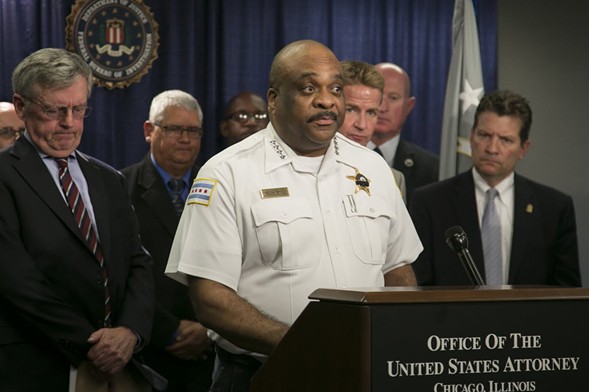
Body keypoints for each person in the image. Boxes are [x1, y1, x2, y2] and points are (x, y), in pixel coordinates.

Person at [165, 39, 423, 392]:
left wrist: (397, 339)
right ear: (273, 100)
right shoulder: (226, 173)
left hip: (364, 373)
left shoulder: (372, 168)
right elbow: (211, 298)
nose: (326, 100)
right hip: (262, 375)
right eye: (308, 88)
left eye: (335, 88)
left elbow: (398, 269)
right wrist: (301, 343)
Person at [0, 48, 155, 390]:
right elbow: (17, 283)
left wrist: (130, 332)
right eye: (54, 110)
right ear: (22, 106)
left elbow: (138, 263)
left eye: (79, 109)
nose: (69, 122)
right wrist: (94, 346)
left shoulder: (108, 178)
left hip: (120, 364)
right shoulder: (3, 177)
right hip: (36, 367)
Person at [410, 90, 581, 287]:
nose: (492, 148)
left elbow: (567, 295)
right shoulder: (430, 202)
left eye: (505, 140)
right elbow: (419, 287)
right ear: (472, 136)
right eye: (484, 135)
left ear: (523, 148)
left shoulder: (554, 208)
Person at [122, 89, 214, 391]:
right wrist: (168, 331)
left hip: (211, 350)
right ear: (150, 131)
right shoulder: (119, 188)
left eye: (193, 131)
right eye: (175, 129)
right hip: (148, 352)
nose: (185, 139)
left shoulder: (220, 188)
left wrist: (210, 331)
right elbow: (117, 273)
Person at [368, 62, 439, 203]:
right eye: (378, 96)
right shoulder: (335, 157)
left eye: (393, 98)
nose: (383, 107)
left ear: (409, 106)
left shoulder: (432, 169)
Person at [339, 60, 407, 203]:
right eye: (351, 109)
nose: (362, 125)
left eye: (371, 113)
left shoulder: (392, 179)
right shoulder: (303, 170)